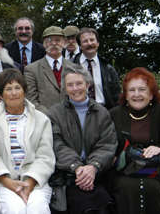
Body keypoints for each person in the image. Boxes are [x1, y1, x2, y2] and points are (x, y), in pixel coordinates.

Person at [109, 67, 160, 214]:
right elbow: (107, 147)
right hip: (123, 173)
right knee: (126, 188)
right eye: (132, 90)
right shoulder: (115, 114)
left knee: (152, 189)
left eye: (142, 89)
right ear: (125, 94)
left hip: (154, 172)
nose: (137, 94)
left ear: (151, 94)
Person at [47, 63, 117, 214]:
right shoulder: (54, 113)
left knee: (104, 203)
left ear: (88, 84)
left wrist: (93, 167)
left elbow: (107, 144)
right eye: (70, 85)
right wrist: (77, 168)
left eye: (79, 83)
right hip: (68, 175)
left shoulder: (102, 112)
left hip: (97, 173)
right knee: (81, 204)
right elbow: (57, 144)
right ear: (65, 88)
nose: (75, 88)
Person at [0, 68, 55, 214]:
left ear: (24, 91)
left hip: (35, 181)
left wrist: (29, 183)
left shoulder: (41, 119)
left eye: (17, 88)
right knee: (14, 209)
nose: (14, 93)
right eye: (8, 89)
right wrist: (8, 182)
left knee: (38, 208)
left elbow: (45, 156)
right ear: (0, 95)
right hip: (4, 181)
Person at [24, 26, 74, 115]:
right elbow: (31, 100)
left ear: (64, 43)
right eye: (49, 40)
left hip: (71, 119)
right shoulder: (31, 69)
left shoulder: (74, 68)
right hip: (45, 121)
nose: (54, 43)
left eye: (58, 40)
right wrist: (51, 117)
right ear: (43, 44)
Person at [73, 27, 120, 109]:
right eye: (85, 41)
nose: (89, 43)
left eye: (92, 40)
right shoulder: (72, 67)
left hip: (105, 111)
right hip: (79, 111)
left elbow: (116, 95)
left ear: (98, 43)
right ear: (80, 46)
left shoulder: (108, 68)